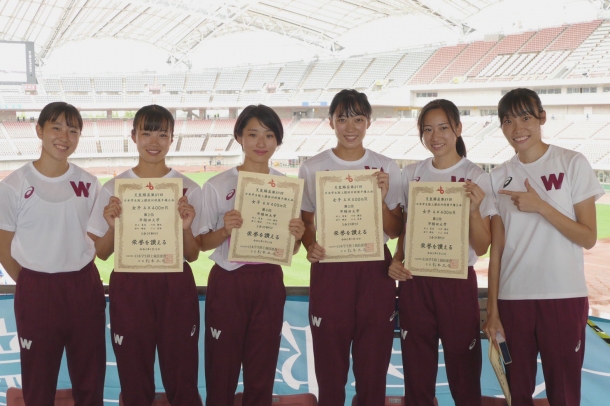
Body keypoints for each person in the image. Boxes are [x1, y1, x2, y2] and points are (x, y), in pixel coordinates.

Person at [484, 88, 604, 406]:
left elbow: (588, 236)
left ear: (542, 118)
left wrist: (542, 206)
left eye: (526, 117)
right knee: (517, 392)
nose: (517, 128)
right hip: (513, 300)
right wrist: (493, 311)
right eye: (508, 120)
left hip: (563, 296)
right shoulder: (498, 177)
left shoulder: (571, 163)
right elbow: (496, 250)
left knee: (563, 392)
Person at [87, 105, 203, 406]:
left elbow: (192, 255)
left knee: (182, 374)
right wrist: (113, 226)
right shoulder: (114, 188)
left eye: (162, 134)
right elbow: (101, 252)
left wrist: (187, 228)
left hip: (175, 286)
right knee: (134, 375)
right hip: (130, 286)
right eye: (147, 133)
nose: (154, 141)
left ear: (172, 139)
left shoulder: (189, 188)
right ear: (133, 136)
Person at [298, 89, 403, 406]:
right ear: (331, 122)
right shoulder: (312, 167)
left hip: (375, 270)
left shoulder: (386, 166)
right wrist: (310, 245)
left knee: (373, 370)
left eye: (358, 118)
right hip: (330, 270)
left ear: (368, 122)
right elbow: (306, 223)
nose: (350, 127)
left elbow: (395, 229)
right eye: (342, 118)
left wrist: (383, 200)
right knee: (331, 372)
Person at [389, 99, 495, 406]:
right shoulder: (411, 174)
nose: (436, 136)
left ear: (458, 129)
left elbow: (483, 246)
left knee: (463, 375)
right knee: (417, 375)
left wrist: (474, 211)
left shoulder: (476, 176)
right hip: (415, 282)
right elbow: (408, 230)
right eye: (428, 129)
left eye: (444, 128)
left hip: (457, 281)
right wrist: (397, 260)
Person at [0, 102, 106, 405]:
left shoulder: (89, 183)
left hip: (84, 286)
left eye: (73, 130)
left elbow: (96, 239)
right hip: (37, 288)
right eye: (56, 127)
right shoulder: (13, 186)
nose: (65, 136)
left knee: (90, 378)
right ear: (39, 131)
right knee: (38, 381)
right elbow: (4, 248)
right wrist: (34, 282)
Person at [199, 104, 305, 405]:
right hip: (229, 281)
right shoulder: (217, 186)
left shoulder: (286, 187)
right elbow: (201, 243)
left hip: (269, 280)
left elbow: (292, 249)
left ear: (278, 140)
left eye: (269, 135)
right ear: (239, 137)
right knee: (222, 369)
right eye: (253, 134)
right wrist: (223, 231)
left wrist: (296, 237)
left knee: (261, 370)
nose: (261, 143)